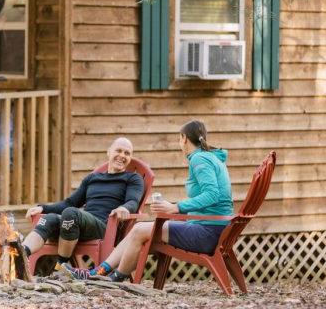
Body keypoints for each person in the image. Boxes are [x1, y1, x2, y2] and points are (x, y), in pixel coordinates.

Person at [63, 120, 233, 281]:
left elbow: (212, 195)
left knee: (138, 231)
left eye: (179, 139)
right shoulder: (210, 157)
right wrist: (175, 209)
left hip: (207, 232)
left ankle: (113, 277)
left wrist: (176, 207)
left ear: (184, 139)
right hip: (211, 227)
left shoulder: (199, 158)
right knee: (139, 234)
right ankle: (98, 273)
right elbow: (211, 197)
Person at [22, 137, 144, 272]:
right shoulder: (92, 178)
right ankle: (21, 253)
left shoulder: (133, 179)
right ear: (109, 152)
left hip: (104, 226)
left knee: (70, 213)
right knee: (48, 218)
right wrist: (42, 208)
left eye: (127, 153)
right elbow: (70, 202)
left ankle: (59, 267)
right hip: (79, 223)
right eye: (118, 151)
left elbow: (133, 201)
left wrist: (124, 208)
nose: (122, 156)